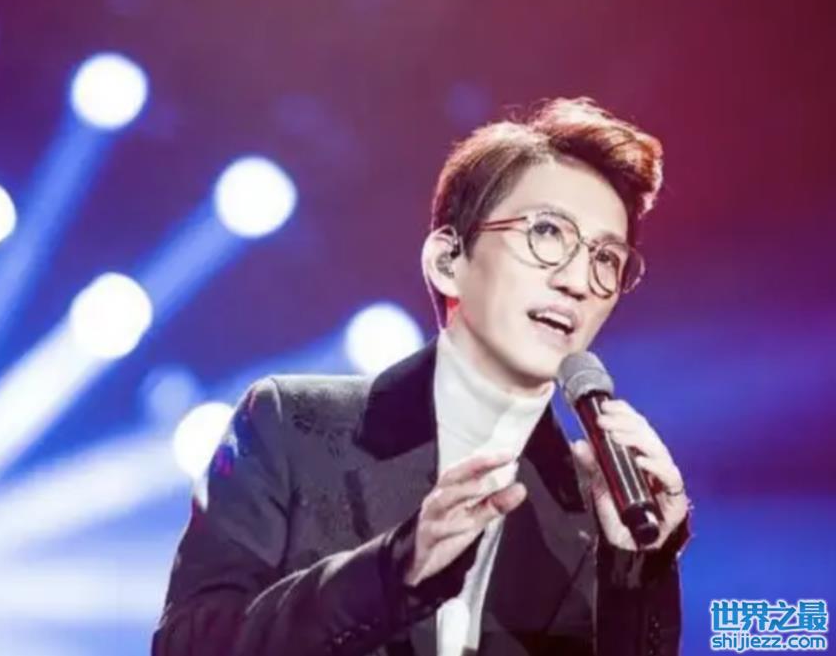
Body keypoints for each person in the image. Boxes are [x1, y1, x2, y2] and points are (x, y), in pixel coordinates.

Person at [152, 97, 691, 656]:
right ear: (448, 261)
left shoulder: (594, 507)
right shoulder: (292, 425)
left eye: (607, 260)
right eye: (548, 233)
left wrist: (637, 570)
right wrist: (395, 570)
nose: (578, 281)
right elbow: (187, 647)